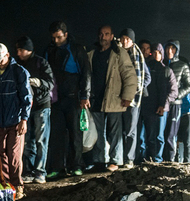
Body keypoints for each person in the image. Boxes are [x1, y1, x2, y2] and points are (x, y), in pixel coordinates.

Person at [44, 20, 91, 177]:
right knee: (56, 134)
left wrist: (85, 95)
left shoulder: (77, 49)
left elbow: (86, 73)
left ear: (65, 34)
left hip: (74, 98)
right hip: (56, 99)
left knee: (75, 134)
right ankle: (56, 167)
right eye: (53, 38)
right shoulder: (49, 50)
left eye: (58, 37)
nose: (56, 41)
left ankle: (76, 165)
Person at [88, 25, 138, 172]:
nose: (103, 36)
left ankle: (115, 160)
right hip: (96, 99)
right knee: (97, 132)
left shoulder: (119, 53)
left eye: (107, 34)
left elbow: (130, 75)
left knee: (114, 132)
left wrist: (128, 96)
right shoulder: (92, 54)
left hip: (114, 98)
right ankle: (99, 161)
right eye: (101, 34)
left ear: (111, 36)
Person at [0, 43, 32, 199]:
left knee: (14, 156)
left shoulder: (19, 72)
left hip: (15, 121)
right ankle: (6, 185)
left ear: (7, 55)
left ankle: (18, 185)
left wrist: (24, 119)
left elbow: (27, 98)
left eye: (0, 60)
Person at [16, 36, 54, 184]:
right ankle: (29, 171)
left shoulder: (41, 62)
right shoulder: (18, 64)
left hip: (41, 106)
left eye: (20, 49)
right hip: (26, 107)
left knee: (41, 140)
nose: (18, 52)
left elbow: (50, 83)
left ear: (28, 49)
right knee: (28, 141)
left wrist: (38, 82)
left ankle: (40, 171)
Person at [141, 43, 178, 163]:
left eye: (159, 52)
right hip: (147, 107)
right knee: (148, 136)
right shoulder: (146, 68)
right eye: (154, 52)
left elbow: (174, 91)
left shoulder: (167, 70)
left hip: (162, 108)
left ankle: (157, 159)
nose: (156, 55)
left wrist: (164, 104)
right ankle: (147, 158)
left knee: (159, 137)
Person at [119, 29, 151, 168]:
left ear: (132, 41)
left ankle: (129, 159)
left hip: (132, 99)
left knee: (130, 130)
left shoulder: (137, 55)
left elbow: (146, 77)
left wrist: (134, 89)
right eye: (123, 38)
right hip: (116, 97)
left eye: (128, 39)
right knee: (117, 130)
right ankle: (117, 158)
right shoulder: (116, 52)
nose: (125, 41)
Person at [163, 39, 190, 163]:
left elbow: (189, 85)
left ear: (177, 50)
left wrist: (176, 95)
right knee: (161, 133)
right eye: (167, 48)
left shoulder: (182, 65)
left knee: (171, 134)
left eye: (173, 48)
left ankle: (170, 160)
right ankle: (161, 159)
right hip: (161, 104)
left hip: (175, 105)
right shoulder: (161, 63)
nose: (170, 51)